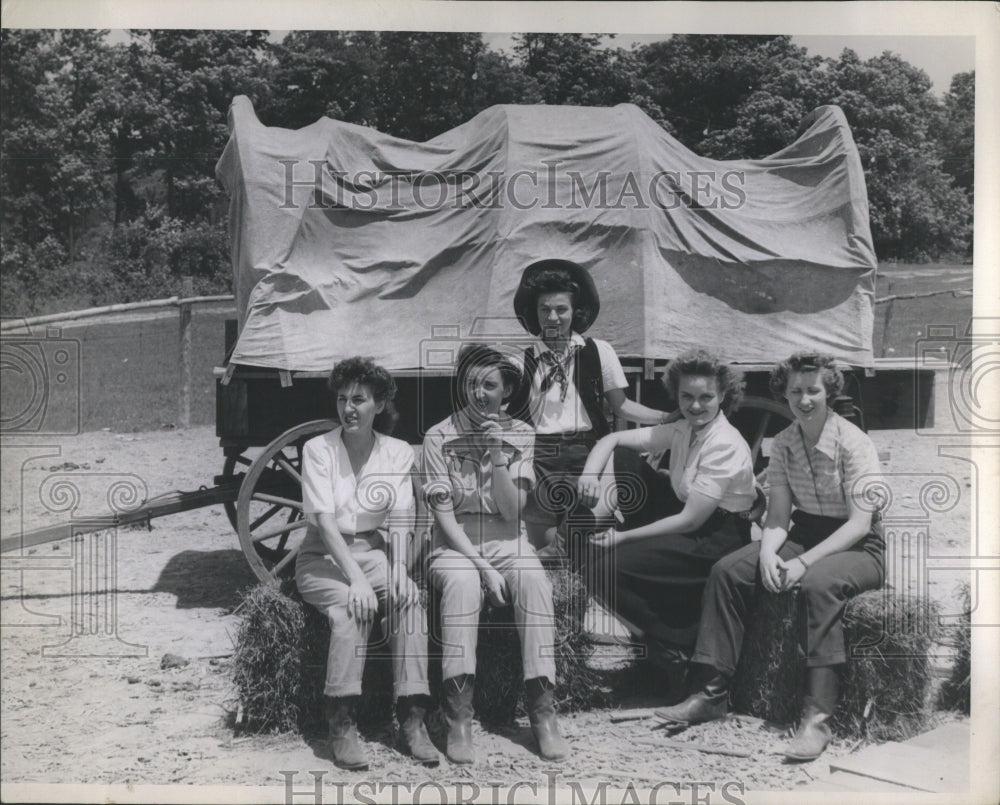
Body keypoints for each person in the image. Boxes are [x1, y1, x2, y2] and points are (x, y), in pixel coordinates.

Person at [654, 352, 885, 762]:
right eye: (795, 390)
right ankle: (710, 694)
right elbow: (778, 516)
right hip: (806, 531)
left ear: (828, 392)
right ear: (785, 392)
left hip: (857, 548)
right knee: (728, 570)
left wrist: (801, 562)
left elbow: (859, 525)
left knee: (817, 584)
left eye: (813, 390)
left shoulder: (855, 443)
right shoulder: (785, 443)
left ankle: (817, 720)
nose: (804, 399)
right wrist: (766, 554)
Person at [576, 349, 757, 699]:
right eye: (687, 397)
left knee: (605, 571)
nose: (696, 406)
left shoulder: (724, 443)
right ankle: (664, 642)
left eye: (706, 397)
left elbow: (691, 520)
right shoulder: (682, 428)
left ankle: (670, 650)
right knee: (626, 460)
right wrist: (589, 475)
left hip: (717, 537)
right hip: (691, 521)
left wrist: (622, 538)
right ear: (676, 396)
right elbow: (612, 440)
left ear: (723, 396)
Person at [420, 344, 570, 765]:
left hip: (507, 536)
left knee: (535, 580)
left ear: (506, 391)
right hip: (455, 541)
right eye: (470, 383)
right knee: (464, 584)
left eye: (489, 384)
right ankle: (459, 720)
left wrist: (498, 454)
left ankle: (543, 714)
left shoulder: (521, 433)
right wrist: (482, 566)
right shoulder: (438, 436)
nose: (478, 392)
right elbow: (443, 515)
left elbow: (512, 510)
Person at [295, 357, 438, 770]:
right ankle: (341, 724)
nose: (348, 409)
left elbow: (401, 518)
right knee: (350, 610)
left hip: (376, 553)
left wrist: (399, 574)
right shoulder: (318, 449)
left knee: (408, 604)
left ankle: (413, 721)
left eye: (359, 399)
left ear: (380, 404)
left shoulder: (396, 452)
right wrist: (356, 579)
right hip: (324, 555)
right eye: (342, 399)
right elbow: (323, 520)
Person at [506, 258, 670, 552]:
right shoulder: (520, 360)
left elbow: (621, 406)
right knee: (545, 544)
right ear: (534, 313)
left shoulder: (598, 351)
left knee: (587, 541)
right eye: (545, 310)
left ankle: (589, 593)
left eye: (561, 309)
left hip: (589, 454)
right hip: (540, 455)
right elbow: (509, 415)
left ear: (575, 312)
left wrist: (666, 418)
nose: (553, 317)